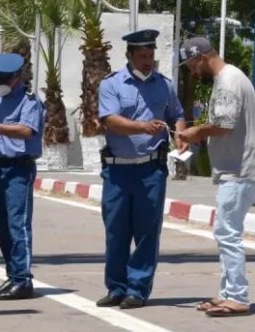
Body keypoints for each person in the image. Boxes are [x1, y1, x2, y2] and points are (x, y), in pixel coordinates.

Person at [176, 37, 255, 318]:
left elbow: (223, 125)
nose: (193, 72)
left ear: (202, 58)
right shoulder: (228, 78)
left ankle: (238, 296)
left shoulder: (228, 80)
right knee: (224, 231)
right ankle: (228, 293)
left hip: (241, 170)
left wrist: (196, 133)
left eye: (192, 66)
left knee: (227, 232)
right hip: (236, 169)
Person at [96, 29, 187, 310]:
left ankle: (138, 289)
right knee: (116, 232)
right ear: (129, 56)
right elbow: (110, 120)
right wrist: (143, 126)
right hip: (118, 172)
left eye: (150, 56)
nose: (148, 61)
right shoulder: (111, 84)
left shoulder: (165, 85)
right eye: (142, 56)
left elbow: (177, 115)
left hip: (150, 171)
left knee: (147, 232)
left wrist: (180, 135)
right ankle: (116, 287)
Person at [0, 52, 44, 301]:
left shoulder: (29, 100)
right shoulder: (1, 100)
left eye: (2, 78)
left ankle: (23, 280)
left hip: (19, 168)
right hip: (1, 166)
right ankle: (13, 275)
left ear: (17, 76)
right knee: (3, 226)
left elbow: (26, 130)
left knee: (18, 225)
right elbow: (2, 132)